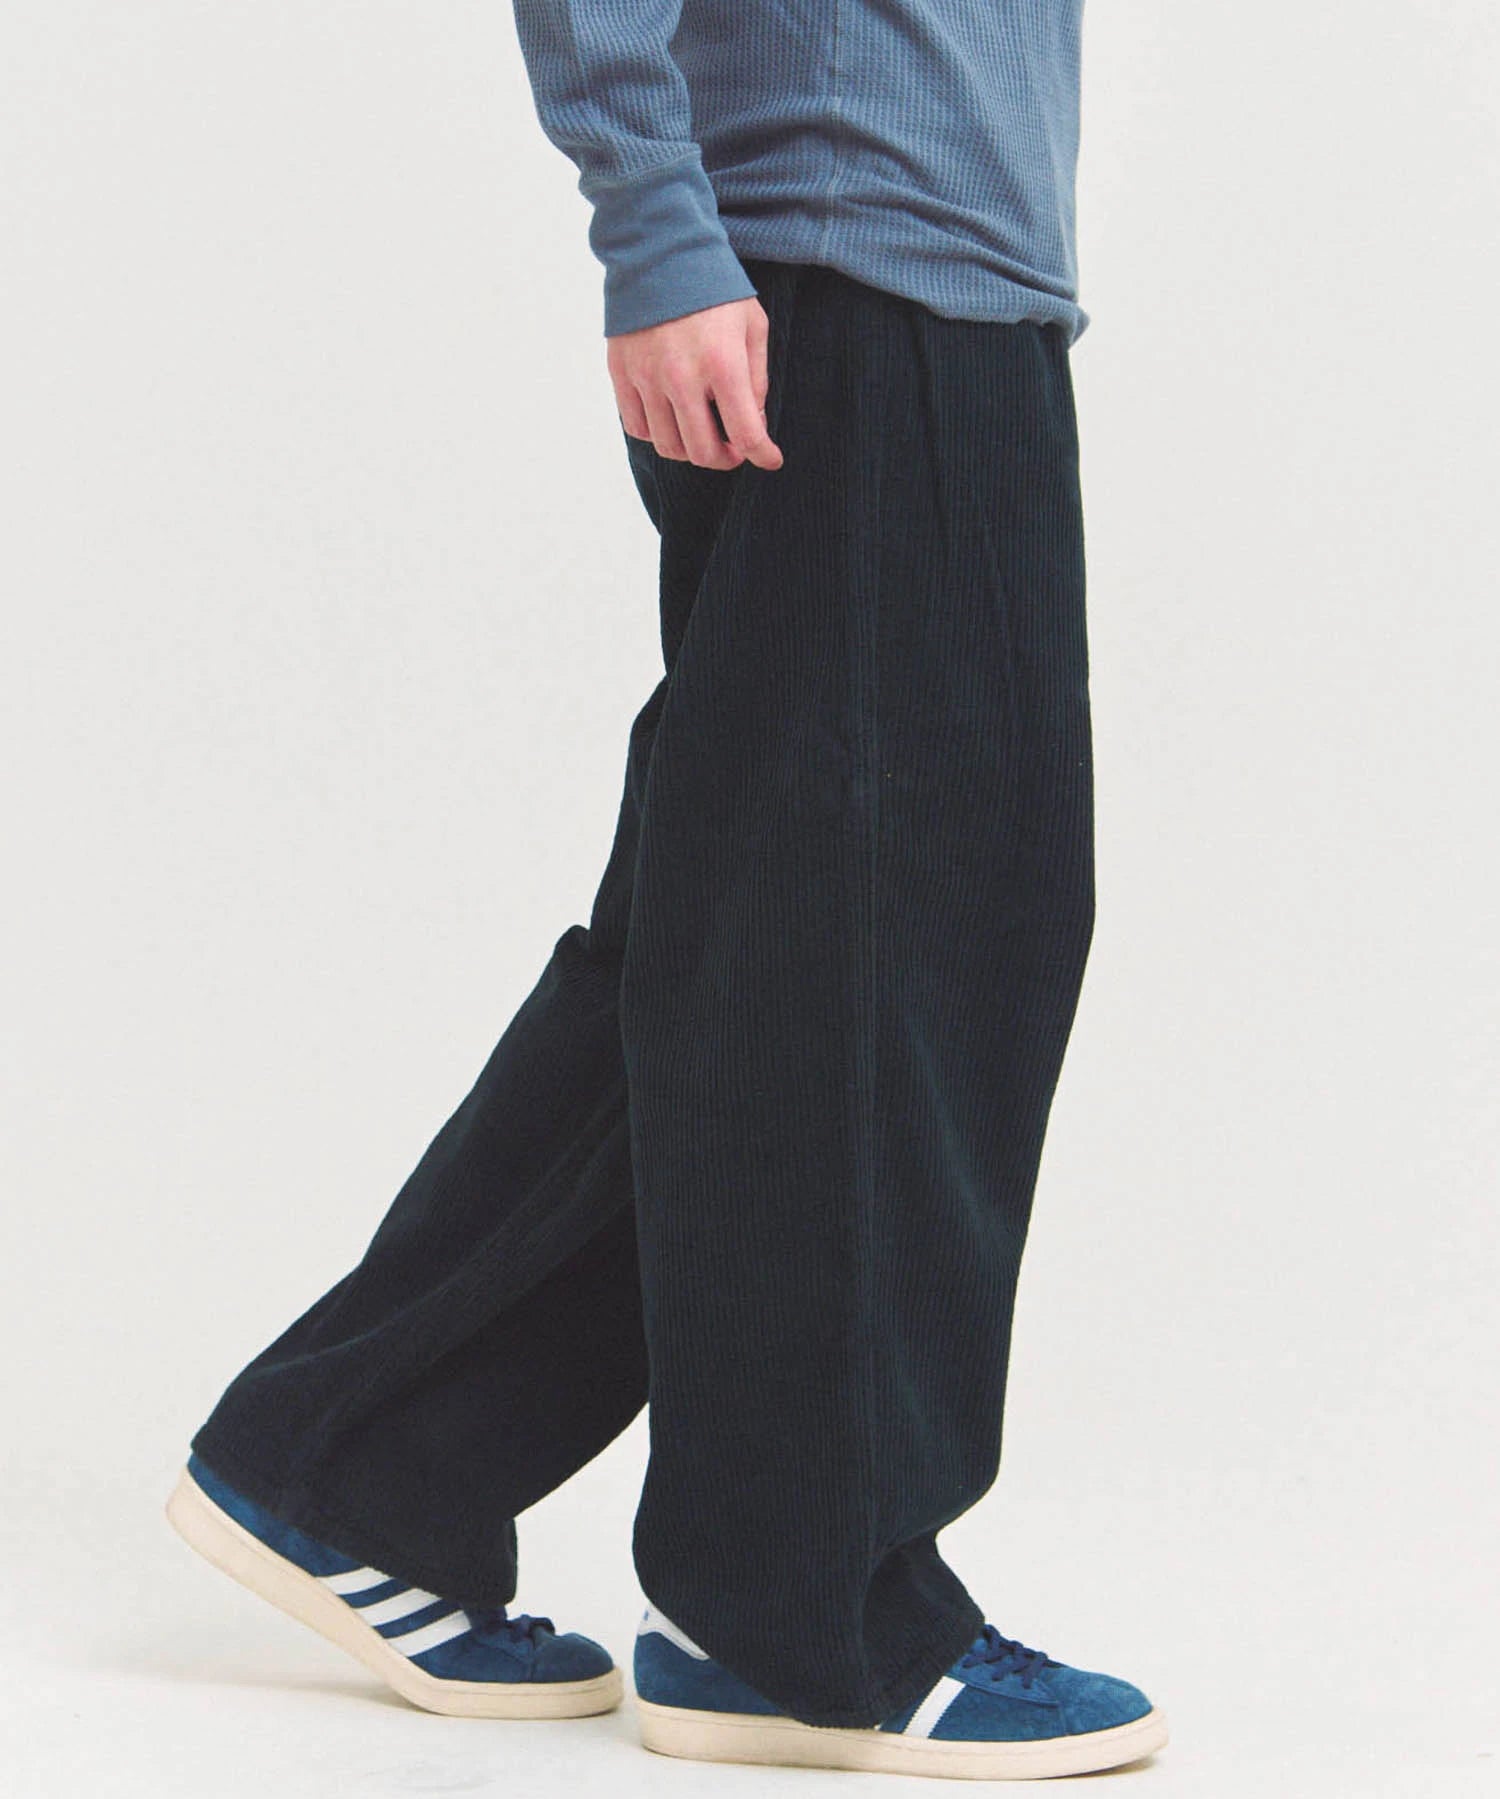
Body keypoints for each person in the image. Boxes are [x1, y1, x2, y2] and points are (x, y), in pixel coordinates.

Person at [166, 0, 1169, 1780]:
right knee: (866, 957)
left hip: (929, 283)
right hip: (841, 284)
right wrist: (656, 227)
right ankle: (798, 1619)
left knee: (778, 941)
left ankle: (365, 1470)